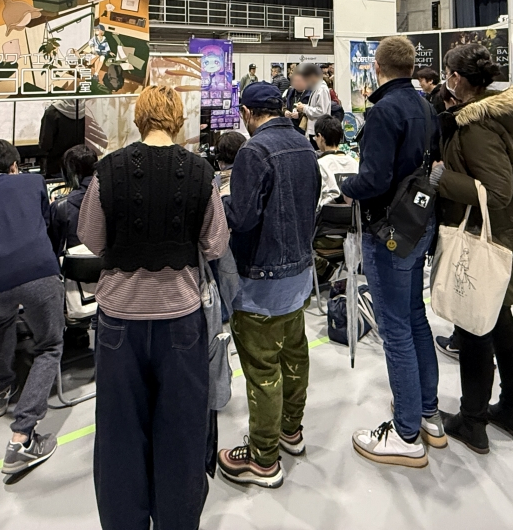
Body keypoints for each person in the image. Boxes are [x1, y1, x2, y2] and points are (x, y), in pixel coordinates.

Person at [78, 86, 230, 530]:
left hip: (118, 322)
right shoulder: (201, 172)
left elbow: (92, 238)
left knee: (119, 432)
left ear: (138, 118)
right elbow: (216, 244)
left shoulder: (108, 171)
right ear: (178, 119)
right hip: (179, 319)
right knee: (181, 431)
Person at [340, 36, 443, 467]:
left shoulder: (384, 111)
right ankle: (427, 413)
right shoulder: (426, 105)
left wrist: (344, 184)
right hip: (421, 222)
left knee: (395, 328)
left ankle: (405, 434)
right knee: (415, 316)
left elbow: (375, 180)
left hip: (389, 231)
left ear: (377, 67)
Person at [217, 82, 319, 489]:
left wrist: (220, 200)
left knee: (262, 369)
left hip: (261, 278)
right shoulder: (304, 145)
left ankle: (263, 457)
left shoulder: (253, 151)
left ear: (246, 113)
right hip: (300, 273)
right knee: (295, 356)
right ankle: (291, 431)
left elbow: (242, 218)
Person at [431, 45, 513, 453]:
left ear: (457, 77)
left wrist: (441, 177)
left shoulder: (476, 125)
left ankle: (473, 421)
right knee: (501, 323)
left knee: (476, 329)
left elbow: (497, 191)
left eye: (448, 72)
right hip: (501, 234)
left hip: (486, 238)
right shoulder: (496, 114)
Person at [0, 139, 67, 475]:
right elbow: (47, 222)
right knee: (49, 346)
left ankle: (1, 388)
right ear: (14, 165)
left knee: (1, 320)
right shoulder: (34, 183)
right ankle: (22, 436)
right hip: (37, 272)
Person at [50, 143, 97, 249]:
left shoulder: (62, 207)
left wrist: (53, 210)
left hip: (74, 259)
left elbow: (53, 246)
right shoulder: (111, 196)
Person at [313, 115, 359, 206]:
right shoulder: (354, 163)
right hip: (354, 213)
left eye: (315, 137)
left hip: (327, 213)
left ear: (320, 137)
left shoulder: (319, 164)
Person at [39, 99, 85, 177]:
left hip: (57, 166)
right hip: (82, 166)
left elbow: (45, 144)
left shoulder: (52, 112)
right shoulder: (88, 109)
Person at [293, 62, 333, 137]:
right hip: (314, 129)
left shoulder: (322, 89)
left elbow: (321, 111)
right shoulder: (316, 88)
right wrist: (304, 106)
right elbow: (315, 107)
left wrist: (304, 108)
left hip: (319, 130)